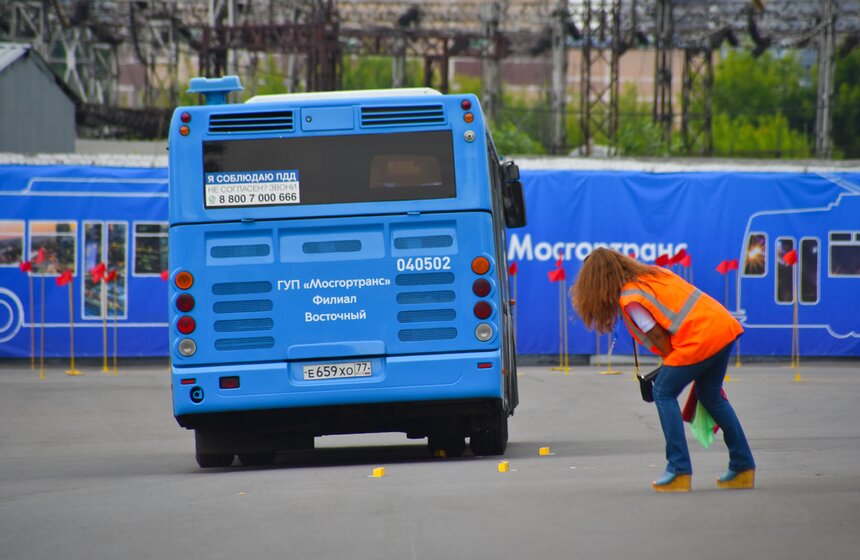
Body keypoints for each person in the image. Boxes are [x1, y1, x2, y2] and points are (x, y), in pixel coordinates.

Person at [571, 248, 755, 493]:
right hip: (723, 327)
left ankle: (679, 469)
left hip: (699, 339)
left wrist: (675, 365)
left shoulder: (631, 299)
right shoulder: (652, 275)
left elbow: (659, 336)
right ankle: (743, 466)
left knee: (664, 392)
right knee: (710, 395)